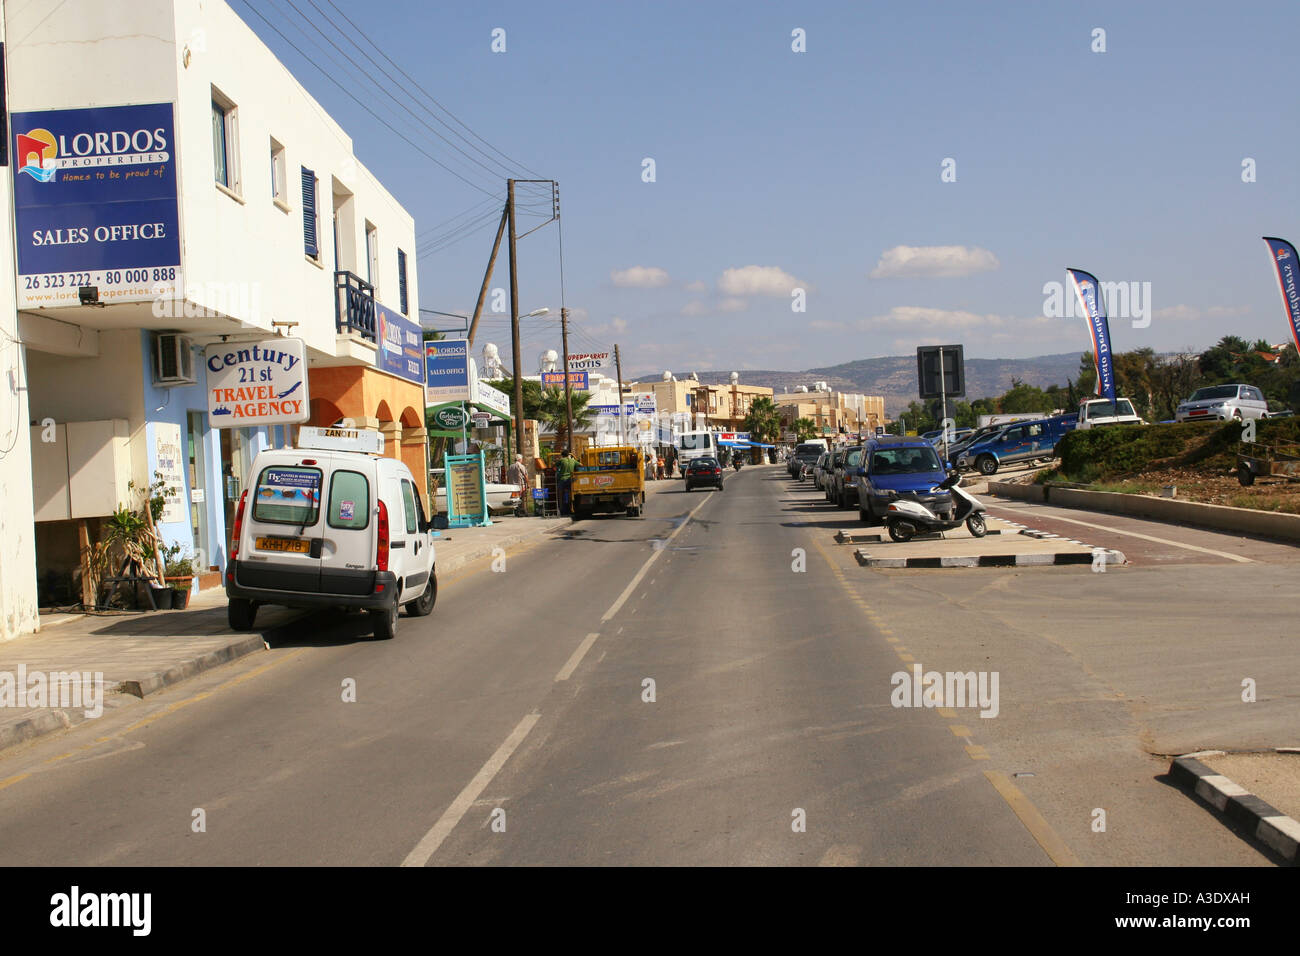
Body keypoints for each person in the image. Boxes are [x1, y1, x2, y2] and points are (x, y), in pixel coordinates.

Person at [555, 447, 577, 516]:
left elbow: (555, 465)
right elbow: (581, 465)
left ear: (562, 455)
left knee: (560, 494)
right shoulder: (573, 461)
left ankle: (561, 509)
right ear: (568, 455)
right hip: (570, 480)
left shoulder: (562, 460)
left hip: (562, 480)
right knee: (571, 494)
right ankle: (571, 508)